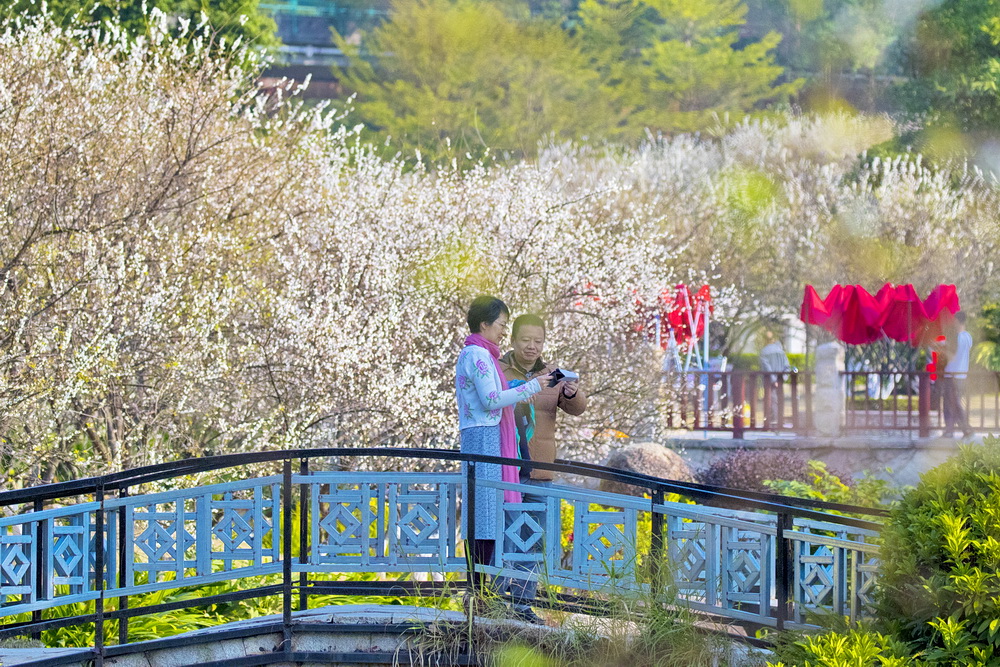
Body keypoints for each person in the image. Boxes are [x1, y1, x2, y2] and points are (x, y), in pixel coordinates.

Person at [455, 296, 553, 617]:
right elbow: (492, 399)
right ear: (485, 324)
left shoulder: (478, 354)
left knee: (487, 517)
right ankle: (489, 599)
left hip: (480, 438)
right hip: (484, 439)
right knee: (488, 517)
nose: (502, 332)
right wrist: (531, 387)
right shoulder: (479, 354)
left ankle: (487, 598)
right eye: (500, 325)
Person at [498, 313, 587, 621]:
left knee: (532, 540)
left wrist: (572, 393)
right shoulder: (497, 370)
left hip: (539, 472)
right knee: (503, 536)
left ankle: (523, 605)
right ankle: (496, 602)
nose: (532, 347)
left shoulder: (552, 375)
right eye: (525, 340)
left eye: (538, 341)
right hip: (506, 470)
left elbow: (577, 408)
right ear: (512, 340)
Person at [940, 311, 973, 438]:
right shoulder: (968, 337)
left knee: (950, 403)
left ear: (957, 321)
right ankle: (964, 429)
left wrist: (942, 350)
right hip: (962, 374)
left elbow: (952, 357)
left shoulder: (956, 337)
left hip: (952, 374)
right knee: (956, 401)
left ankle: (953, 429)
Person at [758, 329, 791, 429]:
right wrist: (783, 378)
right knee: (780, 400)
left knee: (771, 401)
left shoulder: (764, 351)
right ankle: (780, 421)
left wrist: (773, 380)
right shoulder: (781, 352)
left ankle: (773, 422)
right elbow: (787, 366)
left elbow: (766, 367)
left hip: (770, 381)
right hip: (780, 380)